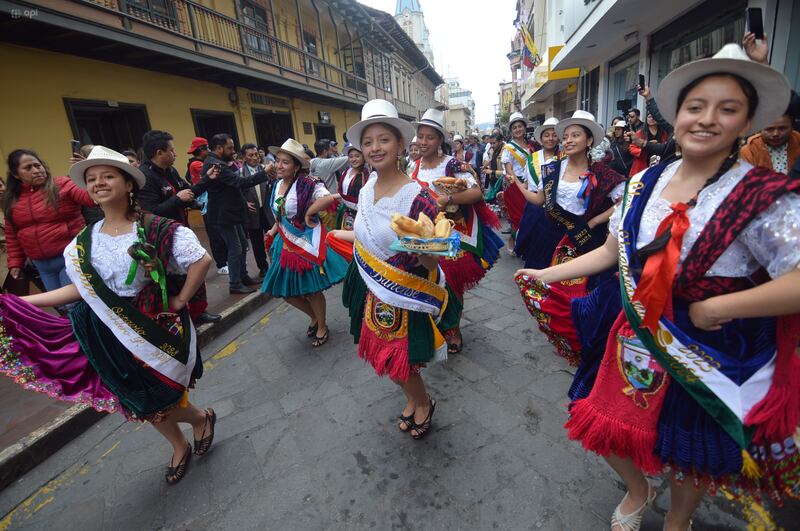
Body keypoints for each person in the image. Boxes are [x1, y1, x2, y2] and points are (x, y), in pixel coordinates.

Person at [524, 44, 800, 530]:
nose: (708, 119)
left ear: (747, 121)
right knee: (595, 416)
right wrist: (547, 275)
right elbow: (613, 253)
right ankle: (639, 488)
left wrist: (723, 306)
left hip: (707, 346)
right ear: (676, 115)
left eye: (728, 108)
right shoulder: (643, 182)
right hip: (634, 333)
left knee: (689, 446)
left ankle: (677, 519)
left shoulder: (761, 195)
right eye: (696, 106)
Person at [0, 146, 218, 484]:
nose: (98, 183)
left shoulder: (155, 227)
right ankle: (178, 444)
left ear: (128, 184)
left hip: (151, 324)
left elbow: (200, 260)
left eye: (108, 176)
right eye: (91, 178)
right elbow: (81, 289)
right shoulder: (83, 243)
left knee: (161, 392)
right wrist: (24, 304)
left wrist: (180, 299)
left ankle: (200, 417)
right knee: (135, 396)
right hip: (106, 330)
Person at [342, 99, 461, 439]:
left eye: (383, 140)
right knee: (388, 362)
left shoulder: (417, 196)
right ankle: (414, 398)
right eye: (367, 142)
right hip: (373, 289)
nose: (374, 147)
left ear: (398, 146)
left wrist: (425, 249)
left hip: (403, 294)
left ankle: (423, 402)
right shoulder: (366, 188)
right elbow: (367, 234)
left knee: (399, 362)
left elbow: (434, 255)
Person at [513, 110, 625, 385]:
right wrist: (516, 185)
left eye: (575, 135)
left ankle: (584, 342)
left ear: (589, 141)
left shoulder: (603, 173)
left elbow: (623, 202)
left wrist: (597, 219)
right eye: (565, 137)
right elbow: (540, 201)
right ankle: (567, 338)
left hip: (589, 241)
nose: (568, 140)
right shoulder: (552, 169)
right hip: (555, 237)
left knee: (585, 295)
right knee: (556, 292)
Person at [412, 108, 503, 353]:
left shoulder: (452, 165)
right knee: (427, 281)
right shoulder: (412, 166)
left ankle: (453, 328)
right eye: (420, 136)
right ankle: (435, 324)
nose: (423, 142)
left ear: (440, 140)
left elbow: (475, 193)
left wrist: (444, 199)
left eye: (429, 137)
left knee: (450, 284)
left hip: (454, 232)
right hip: (425, 234)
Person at [261, 139, 348, 347]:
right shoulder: (276, 185)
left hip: (305, 241)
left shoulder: (309, 183)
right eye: (278, 161)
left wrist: (309, 211)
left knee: (311, 290)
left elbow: (328, 198)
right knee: (284, 291)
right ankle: (314, 316)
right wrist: (273, 230)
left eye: (285, 162)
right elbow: (279, 215)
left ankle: (322, 325)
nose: (279, 166)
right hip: (284, 242)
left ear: (297, 166)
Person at [4, 149, 95, 293]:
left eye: (38, 165)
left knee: (73, 301)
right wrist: (15, 263)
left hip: (71, 256)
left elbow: (91, 199)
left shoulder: (62, 185)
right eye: (28, 168)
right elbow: (12, 235)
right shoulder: (12, 200)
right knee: (61, 305)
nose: (36, 170)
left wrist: (87, 174)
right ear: (16, 175)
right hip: (42, 265)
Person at [202, 134, 274, 294]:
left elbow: (233, 187)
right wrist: (264, 172)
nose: (233, 151)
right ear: (219, 148)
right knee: (235, 248)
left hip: (231, 213)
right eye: (229, 148)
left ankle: (243, 276)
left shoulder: (219, 163)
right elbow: (240, 182)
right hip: (223, 215)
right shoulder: (215, 165)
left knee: (242, 244)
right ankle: (235, 283)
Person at [513, 117, 564, 268]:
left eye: (554, 135)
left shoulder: (565, 157)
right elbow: (528, 183)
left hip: (555, 208)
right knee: (532, 244)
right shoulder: (532, 158)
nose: (550, 139)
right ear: (541, 138)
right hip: (534, 207)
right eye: (546, 135)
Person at [138, 130, 209, 227]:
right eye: (171, 150)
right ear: (159, 153)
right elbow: (152, 212)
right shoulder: (144, 176)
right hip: (164, 233)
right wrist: (178, 199)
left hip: (181, 227)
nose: (175, 154)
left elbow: (189, 192)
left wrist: (208, 178)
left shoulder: (170, 170)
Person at [185, 138, 228, 275]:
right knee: (214, 233)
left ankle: (225, 260)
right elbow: (217, 170)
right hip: (207, 202)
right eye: (208, 148)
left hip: (211, 200)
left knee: (220, 231)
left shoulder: (197, 164)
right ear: (201, 150)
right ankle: (221, 264)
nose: (210, 151)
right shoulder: (197, 164)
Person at [499, 112, 535, 254]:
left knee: (529, 215)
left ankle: (525, 242)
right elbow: (509, 170)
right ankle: (513, 240)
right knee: (517, 215)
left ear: (525, 128)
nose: (518, 129)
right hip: (514, 184)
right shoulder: (509, 148)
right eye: (515, 127)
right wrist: (520, 185)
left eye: (520, 126)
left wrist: (528, 183)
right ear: (511, 130)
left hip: (530, 183)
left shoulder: (531, 146)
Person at [240, 143, 270, 278]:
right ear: (244, 157)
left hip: (267, 211)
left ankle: (277, 265)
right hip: (252, 213)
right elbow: (236, 192)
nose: (254, 157)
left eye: (256, 154)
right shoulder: (240, 174)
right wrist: (244, 203)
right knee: (257, 243)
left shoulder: (266, 169)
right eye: (250, 155)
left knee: (273, 238)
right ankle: (263, 267)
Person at [740, 106, 800, 173]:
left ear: (792, 128)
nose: (775, 134)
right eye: (769, 129)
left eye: (782, 128)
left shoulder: (798, 142)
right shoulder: (749, 151)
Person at [335, 144, 370, 230]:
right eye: (351, 157)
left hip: (359, 213)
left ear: (363, 157)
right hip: (345, 211)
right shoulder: (346, 172)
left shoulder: (367, 175)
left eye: (357, 156)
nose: (353, 159)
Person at [627, 110, 672, 177]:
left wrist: (657, 145)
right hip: (642, 165)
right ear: (646, 119)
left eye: (654, 116)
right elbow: (631, 148)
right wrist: (644, 149)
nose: (652, 118)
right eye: (649, 116)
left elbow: (667, 147)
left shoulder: (664, 133)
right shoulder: (641, 132)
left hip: (658, 164)